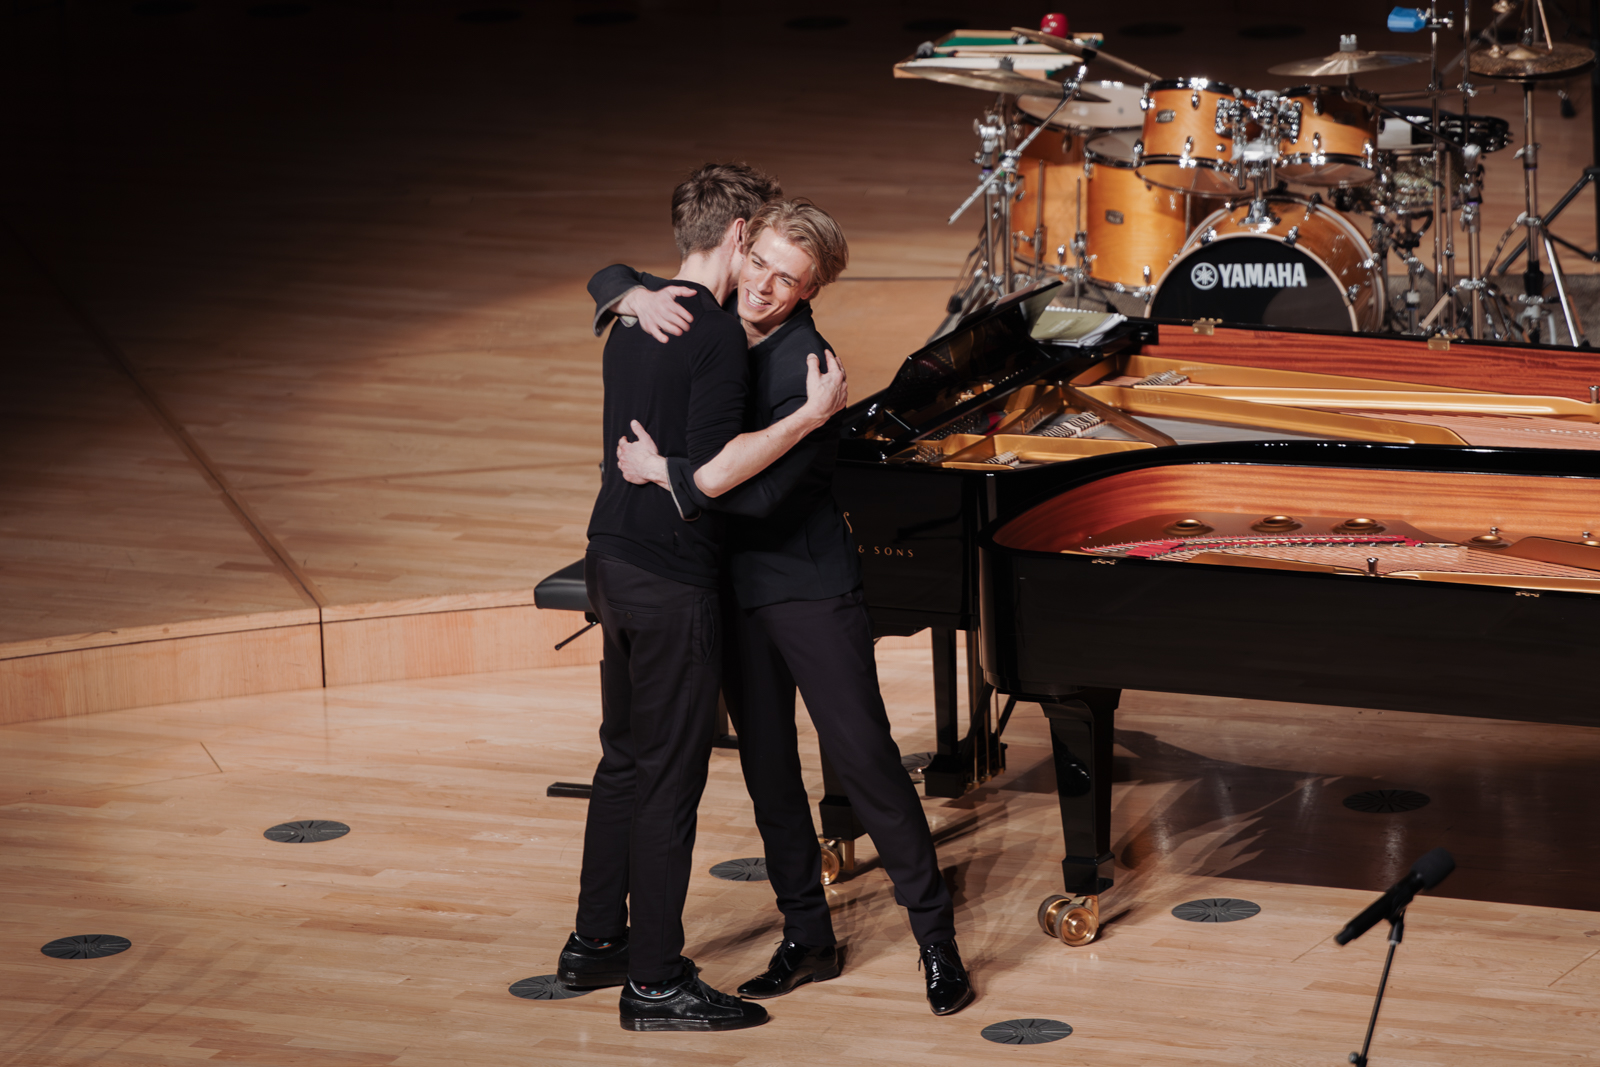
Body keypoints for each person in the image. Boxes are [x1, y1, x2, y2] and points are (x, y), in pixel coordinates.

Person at [600, 198, 975, 1017]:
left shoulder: (810, 365)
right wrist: (626, 291)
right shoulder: (711, 332)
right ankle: (808, 935)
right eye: (761, 264)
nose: (765, 286)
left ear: (810, 291)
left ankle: (936, 939)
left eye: (788, 278)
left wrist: (667, 473)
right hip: (732, 593)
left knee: (866, 761)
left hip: (808, 590)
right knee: (769, 772)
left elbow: (765, 497)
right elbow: (624, 278)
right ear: (744, 249)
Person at [557, 164, 849, 1033]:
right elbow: (717, 472)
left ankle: (596, 940)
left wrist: (621, 288)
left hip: (609, 559)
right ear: (740, 234)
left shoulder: (633, 316)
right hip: (671, 579)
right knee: (669, 780)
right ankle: (654, 981)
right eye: (757, 246)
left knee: (623, 759)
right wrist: (807, 417)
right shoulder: (716, 336)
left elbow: (616, 280)